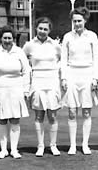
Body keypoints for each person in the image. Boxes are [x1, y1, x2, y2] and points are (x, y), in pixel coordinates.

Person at [0, 25, 31, 159]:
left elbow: (26, 72)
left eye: (9, 38)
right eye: (4, 38)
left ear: (13, 39)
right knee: (1, 120)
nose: (7, 40)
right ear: (0, 39)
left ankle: (14, 150)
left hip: (16, 89)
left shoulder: (19, 52)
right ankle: (3, 149)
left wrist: (26, 90)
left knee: (14, 119)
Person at [61, 7, 98, 155]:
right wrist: (64, 78)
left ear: (85, 20)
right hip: (72, 74)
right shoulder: (67, 37)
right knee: (72, 111)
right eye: (74, 21)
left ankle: (85, 144)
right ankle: (72, 145)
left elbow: (97, 59)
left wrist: (96, 78)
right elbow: (63, 59)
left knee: (86, 111)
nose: (77, 23)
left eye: (79, 20)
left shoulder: (92, 36)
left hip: (87, 74)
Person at [23, 17, 62, 157]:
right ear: (36, 28)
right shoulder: (29, 45)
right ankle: (40, 146)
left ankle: (53, 145)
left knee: (52, 115)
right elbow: (22, 61)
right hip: (37, 81)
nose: (42, 31)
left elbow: (62, 60)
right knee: (39, 115)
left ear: (49, 30)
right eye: (40, 28)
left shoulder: (55, 45)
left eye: (45, 29)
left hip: (52, 81)